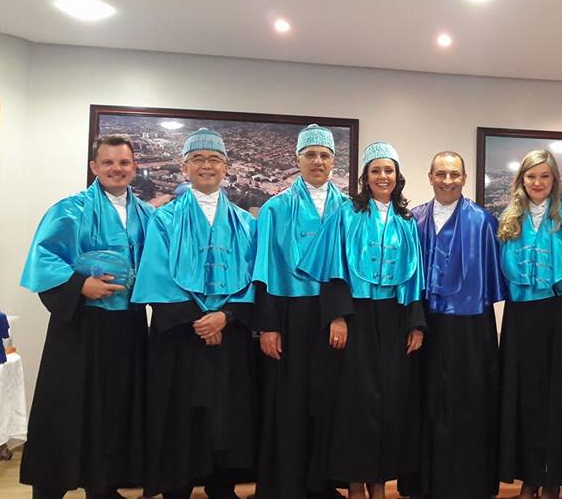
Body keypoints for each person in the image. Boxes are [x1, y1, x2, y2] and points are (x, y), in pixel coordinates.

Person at [19, 135, 154, 499]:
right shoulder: (70, 209)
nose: (116, 169)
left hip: (128, 326)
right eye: (108, 162)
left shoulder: (148, 215)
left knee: (117, 407)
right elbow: (44, 257)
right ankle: (49, 489)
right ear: (94, 167)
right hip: (79, 328)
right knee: (65, 408)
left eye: (123, 163)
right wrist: (80, 285)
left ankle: (103, 485)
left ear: (134, 167)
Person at [131, 128, 258, 499]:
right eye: (198, 159)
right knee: (179, 414)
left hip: (230, 334)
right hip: (180, 335)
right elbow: (156, 274)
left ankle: (222, 486)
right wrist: (200, 319)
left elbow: (257, 276)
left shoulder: (246, 223)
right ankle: (178, 487)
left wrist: (226, 316)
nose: (206, 166)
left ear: (226, 167)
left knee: (228, 413)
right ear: (184, 167)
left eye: (214, 159)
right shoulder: (164, 219)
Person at [299, 142, 425, 499]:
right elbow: (333, 266)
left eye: (388, 171)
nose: (383, 177)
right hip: (356, 315)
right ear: (365, 177)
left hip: (394, 317)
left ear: (397, 176)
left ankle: (379, 483)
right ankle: (355, 483)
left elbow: (414, 276)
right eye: (375, 171)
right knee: (355, 402)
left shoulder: (406, 221)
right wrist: (337, 316)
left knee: (390, 402)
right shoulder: (347, 214)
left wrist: (415, 323)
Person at [400, 151, 506, 499]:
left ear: (464, 178)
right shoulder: (412, 220)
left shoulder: (484, 221)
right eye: (442, 174)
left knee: (469, 402)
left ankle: (470, 483)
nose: (448, 181)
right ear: (430, 176)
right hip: (423, 323)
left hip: (470, 327)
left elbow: (492, 280)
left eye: (455, 174)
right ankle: (423, 482)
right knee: (425, 399)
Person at [252, 124, 350, 499]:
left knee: (328, 400)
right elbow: (264, 269)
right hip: (288, 313)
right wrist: (268, 326)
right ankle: (286, 485)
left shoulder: (347, 208)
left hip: (332, 315)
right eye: (311, 155)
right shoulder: (275, 208)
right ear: (298, 159)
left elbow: (349, 267)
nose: (318, 161)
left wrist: (340, 315)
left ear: (333, 161)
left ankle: (321, 484)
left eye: (324, 155)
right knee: (289, 401)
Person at [496, 150, 562, 499]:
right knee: (524, 397)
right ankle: (529, 477)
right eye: (531, 176)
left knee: (556, 396)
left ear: (554, 179)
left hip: (561, 310)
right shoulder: (509, 218)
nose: (538, 182)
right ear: (522, 180)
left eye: (545, 176)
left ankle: (552, 479)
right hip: (520, 314)